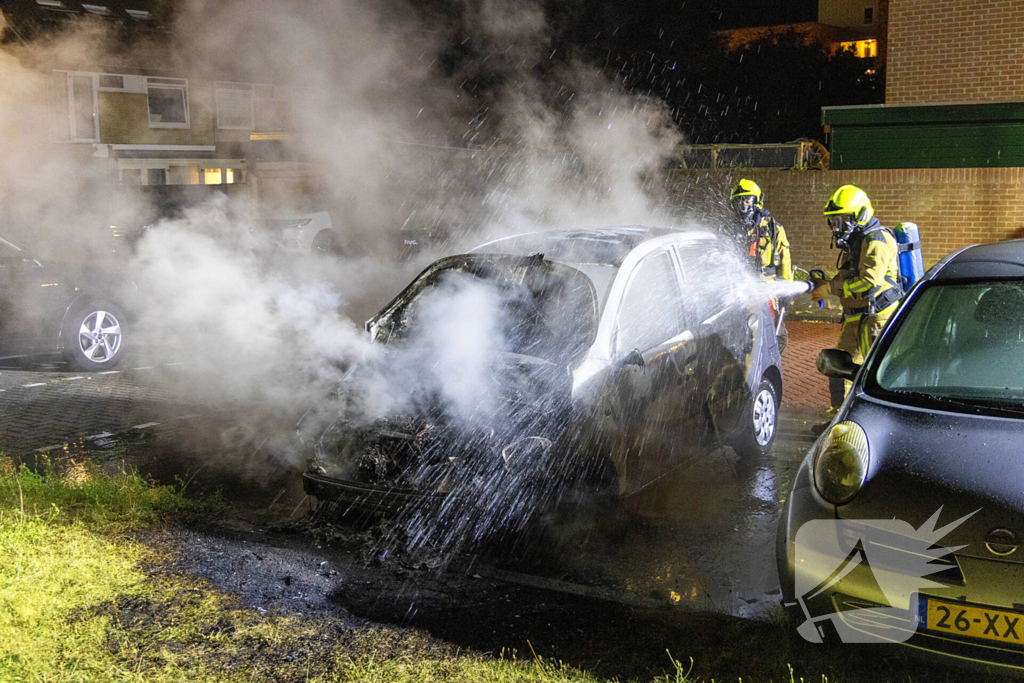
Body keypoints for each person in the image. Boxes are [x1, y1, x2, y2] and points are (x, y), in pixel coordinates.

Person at [811, 185, 903, 411]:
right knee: (837, 366)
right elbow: (848, 275)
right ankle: (839, 417)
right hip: (857, 317)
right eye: (834, 221)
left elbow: (869, 282)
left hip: (876, 318)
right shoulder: (857, 241)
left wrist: (832, 288)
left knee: (875, 374)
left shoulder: (876, 240)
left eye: (842, 220)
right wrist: (825, 284)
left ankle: (873, 415)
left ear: (860, 214)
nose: (837, 227)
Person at [731, 179, 794, 350]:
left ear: (757, 201)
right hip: (741, 293)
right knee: (743, 339)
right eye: (739, 201)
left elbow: (785, 261)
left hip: (767, 291)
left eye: (747, 200)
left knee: (777, 338)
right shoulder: (730, 229)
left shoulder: (774, 229)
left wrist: (786, 289)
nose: (743, 205)